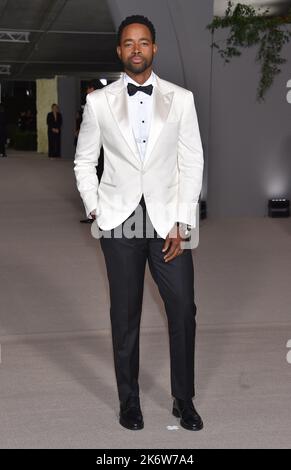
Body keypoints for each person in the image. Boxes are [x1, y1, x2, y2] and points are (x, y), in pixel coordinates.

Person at [74, 15, 204, 431]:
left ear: (154, 48)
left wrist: (182, 222)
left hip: (168, 222)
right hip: (119, 222)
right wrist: (96, 208)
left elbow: (191, 161)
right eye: (128, 43)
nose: (136, 49)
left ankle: (183, 399)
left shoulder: (181, 99)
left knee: (183, 309)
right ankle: (129, 402)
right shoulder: (99, 103)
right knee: (125, 316)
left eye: (143, 42)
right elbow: (83, 160)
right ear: (119, 50)